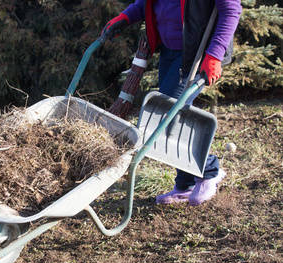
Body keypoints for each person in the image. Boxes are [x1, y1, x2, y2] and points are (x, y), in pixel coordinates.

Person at [102, 0, 242, 206]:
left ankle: (209, 171)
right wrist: (125, 17)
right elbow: (146, 4)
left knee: (169, 115)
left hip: (195, 52)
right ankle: (185, 185)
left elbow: (231, 9)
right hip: (169, 49)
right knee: (175, 115)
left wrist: (215, 55)